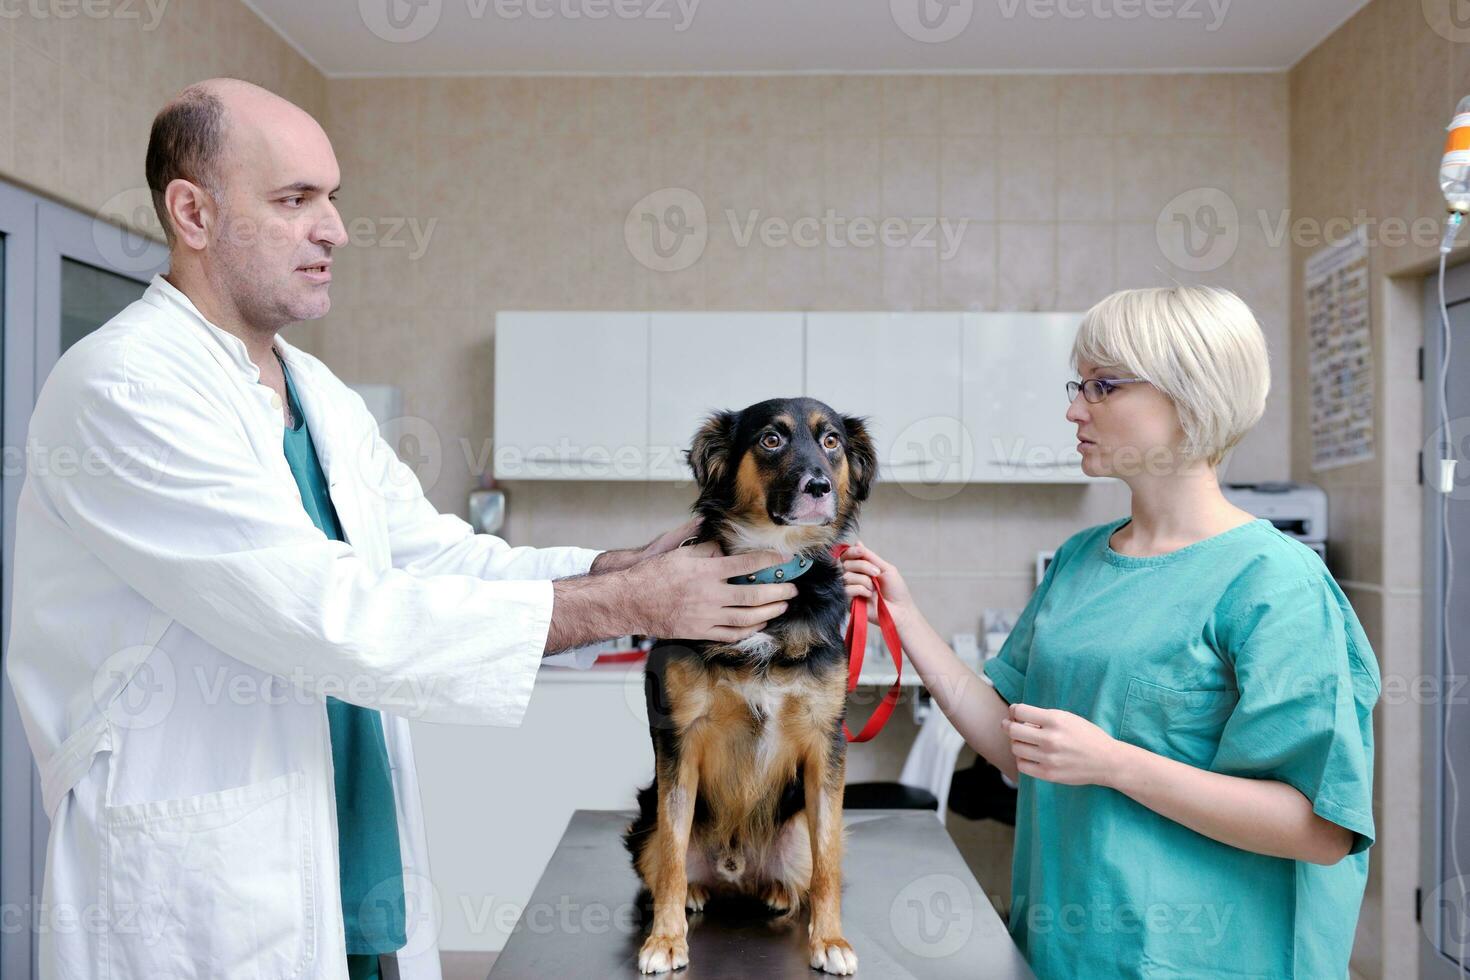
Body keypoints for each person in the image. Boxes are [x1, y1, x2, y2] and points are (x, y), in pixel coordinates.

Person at [5, 78, 796, 980]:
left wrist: (617, 571)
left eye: (333, 198)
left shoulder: (320, 396)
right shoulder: (126, 387)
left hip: (352, 855)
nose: (335, 228)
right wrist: (631, 602)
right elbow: (328, 613)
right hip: (211, 884)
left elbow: (439, 559)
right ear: (193, 212)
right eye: (296, 199)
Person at [841, 286, 1380, 978]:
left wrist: (1114, 763)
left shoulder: (1275, 584)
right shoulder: (1081, 561)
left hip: (1205, 960)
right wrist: (904, 615)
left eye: (1103, 387)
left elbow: (1321, 828)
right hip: (1066, 952)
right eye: (1080, 385)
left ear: (1190, 397)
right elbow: (1015, 748)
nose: (1074, 409)